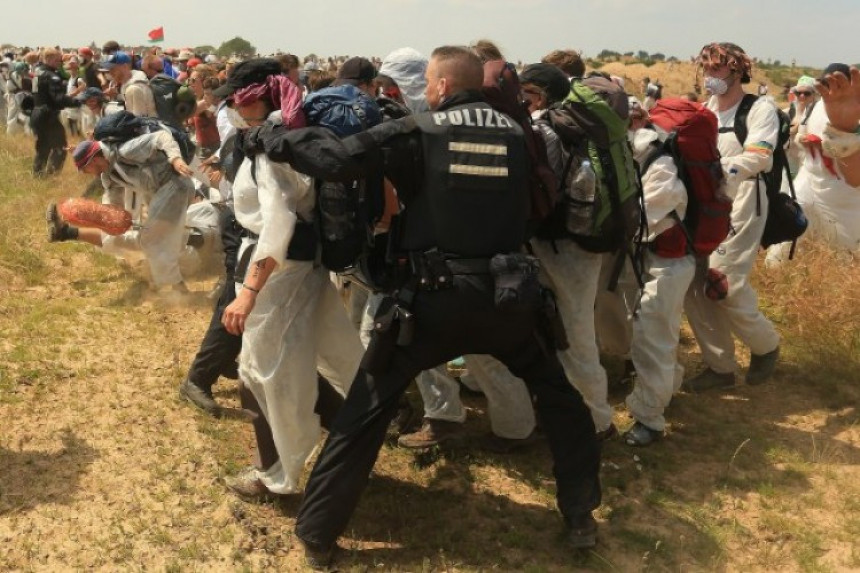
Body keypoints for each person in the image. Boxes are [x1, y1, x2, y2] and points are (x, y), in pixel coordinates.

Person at [246, 45, 602, 568]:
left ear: (437, 86)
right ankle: (580, 515)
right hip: (509, 299)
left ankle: (318, 531)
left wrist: (274, 138)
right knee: (561, 401)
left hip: (430, 302)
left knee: (365, 412)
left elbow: (336, 161)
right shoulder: (517, 133)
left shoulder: (419, 130)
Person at [216, 59, 364, 499]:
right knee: (326, 358)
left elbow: (276, 226)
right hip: (301, 265)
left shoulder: (270, 148)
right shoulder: (290, 136)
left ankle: (275, 475)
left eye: (239, 100)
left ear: (258, 100)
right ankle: (353, 445)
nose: (235, 108)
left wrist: (247, 295)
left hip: (279, 270)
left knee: (260, 374)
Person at [520, 62, 618, 441]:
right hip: (581, 242)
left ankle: (597, 422)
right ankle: (574, 412)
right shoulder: (580, 127)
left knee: (576, 335)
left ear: (539, 95)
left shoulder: (545, 129)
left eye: (525, 93)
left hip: (563, 245)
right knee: (571, 330)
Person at [683, 42, 781, 391]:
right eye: (706, 68)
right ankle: (719, 367)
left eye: (717, 69)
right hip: (706, 205)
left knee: (723, 282)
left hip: (745, 201)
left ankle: (766, 345)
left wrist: (715, 171)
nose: (710, 76)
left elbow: (758, 156)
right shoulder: (705, 110)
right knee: (693, 284)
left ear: (738, 70)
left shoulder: (760, 109)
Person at [48, 132, 195, 291]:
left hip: (175, 185)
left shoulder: (125, 151)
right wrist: (93, 217)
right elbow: (113, 210)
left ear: (95, 160)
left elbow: (161, 136)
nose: (85, 173)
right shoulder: (108, 176)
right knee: (148, 238)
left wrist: (175, 158)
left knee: (150, 239)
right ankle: (66, 232)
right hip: (158, 194)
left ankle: (178, 289)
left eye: (85, 169)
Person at [30, 48, 81, 176]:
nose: (60, 63)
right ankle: (52, 176)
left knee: (43, 147)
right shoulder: (50, 75)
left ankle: (38, 175)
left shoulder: (37, 72)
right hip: (48, 115)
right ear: (49, 59)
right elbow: (58, 98)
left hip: (37, 113)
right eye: (57, 60)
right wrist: (79, 101)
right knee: (60, 147)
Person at [817, 65, 860, 188]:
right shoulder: (815, 107)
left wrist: (845, 128)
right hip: (813, 193)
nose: (831, 89)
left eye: (839, 84)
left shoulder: (853, 109)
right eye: (826, 83)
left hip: (848, 202)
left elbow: (855, 180)